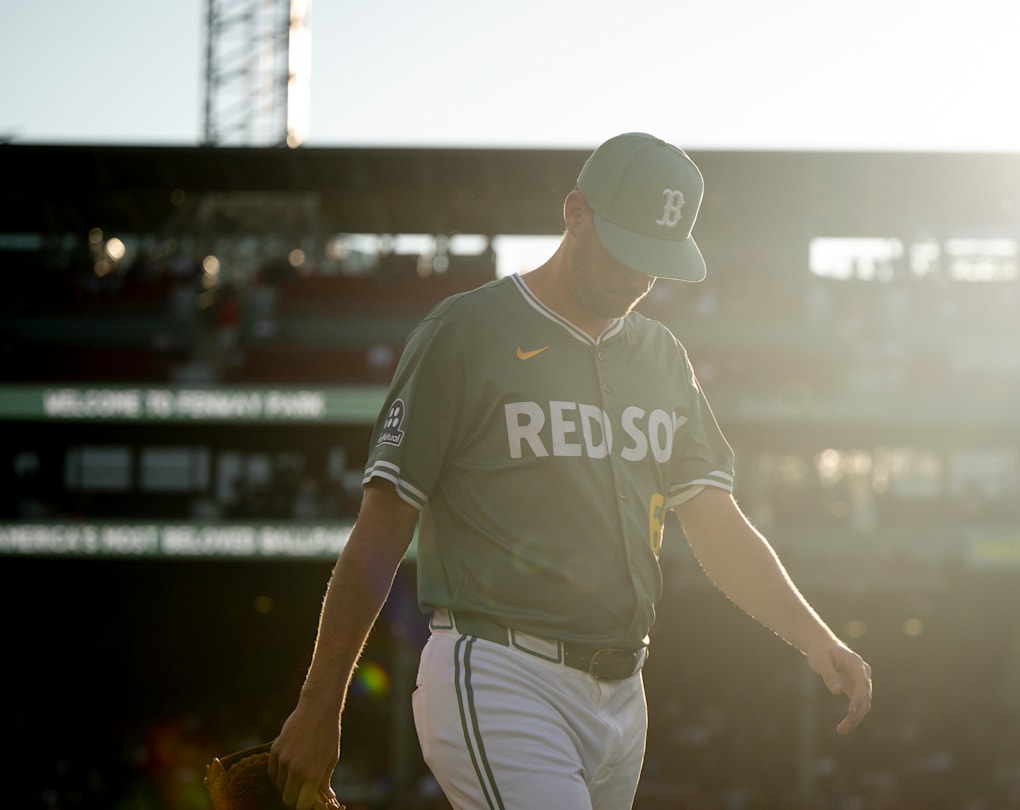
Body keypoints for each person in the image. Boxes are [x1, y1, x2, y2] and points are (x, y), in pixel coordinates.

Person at [268, 132, 873, 809]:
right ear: (576, 213)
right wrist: (319, 704)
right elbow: (383, 524)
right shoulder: (465, 331)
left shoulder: (662, 357)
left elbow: (716, 523)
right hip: (499, 670)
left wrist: (813, 635)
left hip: (624, 693)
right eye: (628, 250)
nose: (640, 278)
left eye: (657, 261)